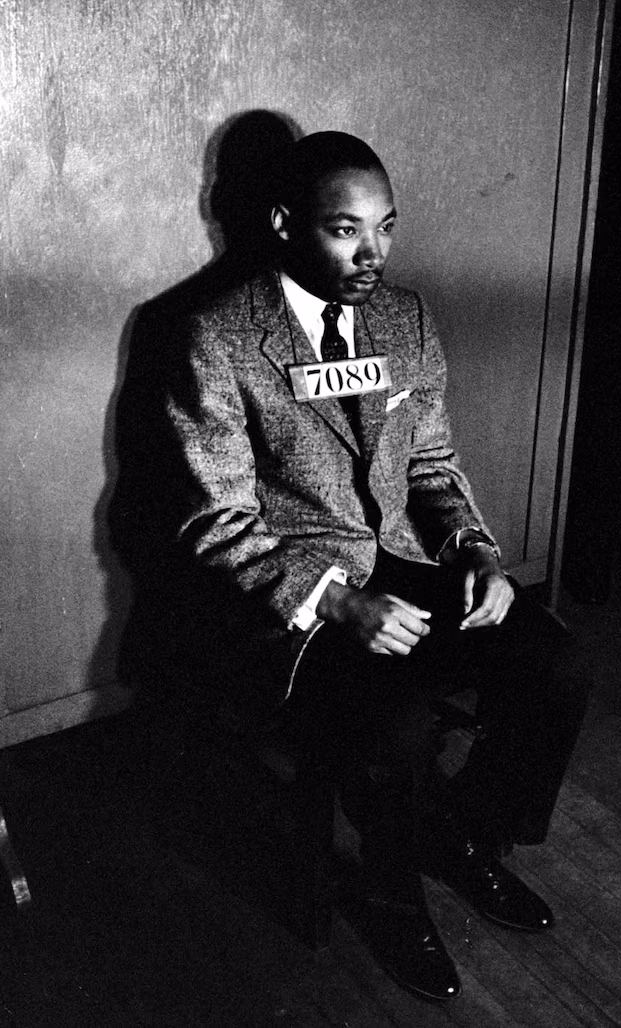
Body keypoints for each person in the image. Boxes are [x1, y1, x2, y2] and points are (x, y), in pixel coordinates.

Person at [110, 131, 589, 1002]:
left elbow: (431, 465)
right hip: (288, 602)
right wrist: (336, 603)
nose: (374, 254)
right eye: (346, 230)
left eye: (386, 228)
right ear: (285, 224)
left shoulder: (405, 319)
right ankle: (390, 893)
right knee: (395, 722)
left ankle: (464, 835)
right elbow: (214, 522)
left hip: (400, 560)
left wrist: (476, 550)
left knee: (555, 661)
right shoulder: (214, 335)